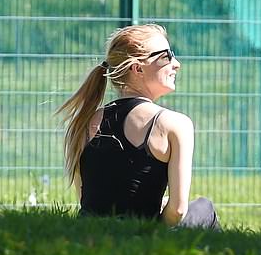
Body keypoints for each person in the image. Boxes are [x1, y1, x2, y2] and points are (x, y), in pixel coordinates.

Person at [58, 24, 220, 230]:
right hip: (142, 239)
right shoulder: (174, 124)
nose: (176, 64)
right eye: (166, 56)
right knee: (204, 207)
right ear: (138, 68)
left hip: (90, 236)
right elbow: (178, 210)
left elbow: (89, 200)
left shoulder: (84, 121)